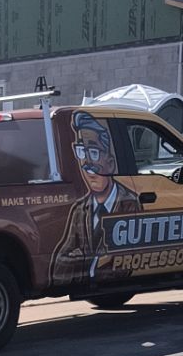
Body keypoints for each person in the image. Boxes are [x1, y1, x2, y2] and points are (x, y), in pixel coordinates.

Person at [48, 111, 142, 289]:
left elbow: (123, 261)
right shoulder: (80, 210)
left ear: (111, 163)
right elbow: (60, 262)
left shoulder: (129, 204)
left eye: (94, 152)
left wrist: (81, 262)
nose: (86, 163)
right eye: (82, 152)